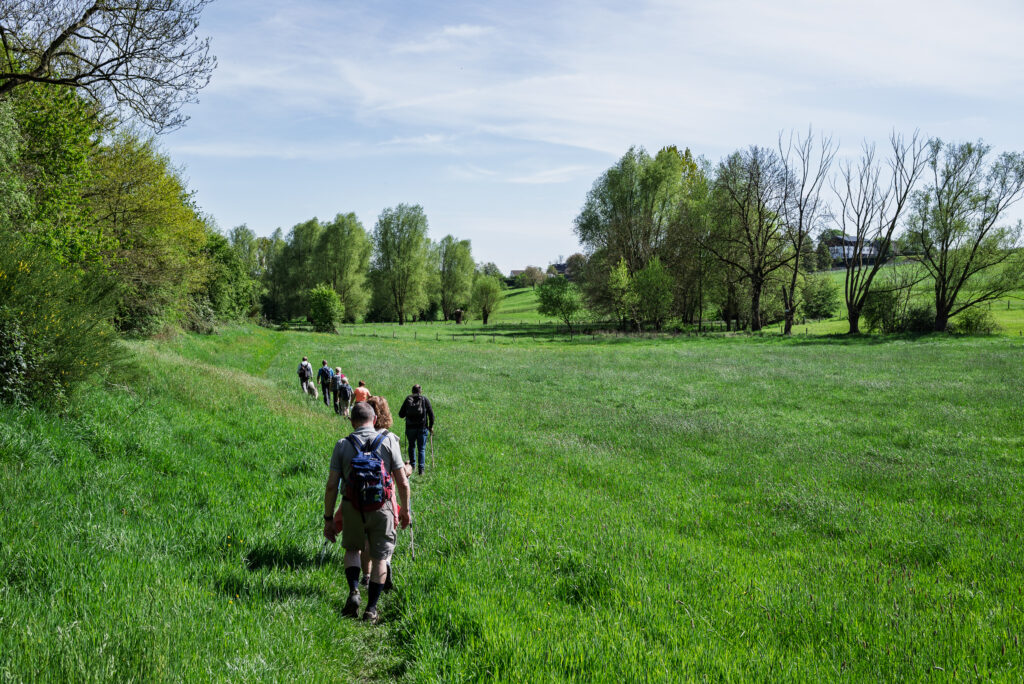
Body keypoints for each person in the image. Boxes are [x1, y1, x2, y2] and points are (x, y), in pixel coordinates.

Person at [323, 402, 411, 624]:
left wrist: (329, 518)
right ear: (374, 420)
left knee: (353, 549)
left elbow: (332, 486)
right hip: (382, 508)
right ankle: (371, 609)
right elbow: (402, 481)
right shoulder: (389, 441)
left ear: (352, 422)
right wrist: (405, 510)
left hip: (352, 506)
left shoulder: (342, 445)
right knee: (380, 558)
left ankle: (354, 591)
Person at [398, 384, 434, 475]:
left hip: (410, 428)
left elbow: (401, 414)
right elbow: (431, 415)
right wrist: (430, 426)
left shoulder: (408, 399)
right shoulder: (424, 399)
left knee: (411, 446)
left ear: (412, 391)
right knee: (421, 449)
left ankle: (412, 467)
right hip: (422, 428)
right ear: (420, 391)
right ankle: (421, 470)